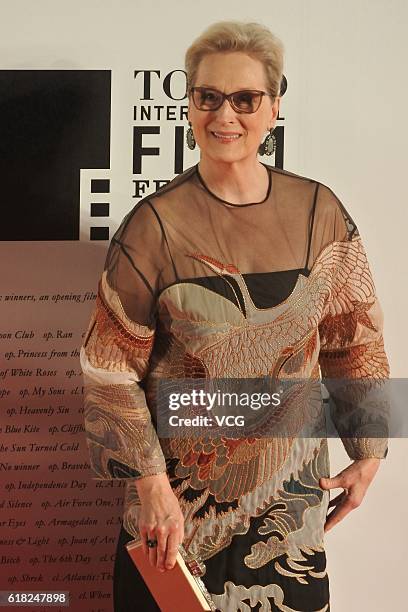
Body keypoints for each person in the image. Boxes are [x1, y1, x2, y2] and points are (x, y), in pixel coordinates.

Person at [80, 20, 390, 612]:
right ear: (190, 105)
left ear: (273, 107)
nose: (225, 115)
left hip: (287, 516)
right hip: (175, 513)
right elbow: (109, 371)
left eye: (244, 99)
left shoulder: (317, 213)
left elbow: (354, 338)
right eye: (207, 97)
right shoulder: (154, 226)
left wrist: (369, 451)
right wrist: (150, 487)